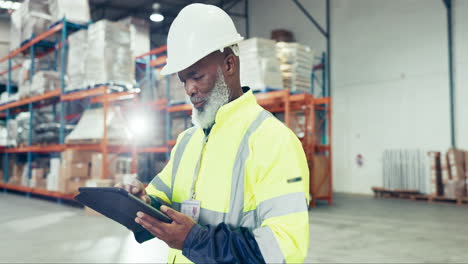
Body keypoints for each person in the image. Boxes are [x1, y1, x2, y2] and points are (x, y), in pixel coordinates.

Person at [116, 3, 310, 263]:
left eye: (196, 76)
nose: (189, 89)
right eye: (183, 80)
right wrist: (142, 201)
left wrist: (194, 240)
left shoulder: (274, 141)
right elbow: (161, 198)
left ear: (229, 65)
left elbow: (285, 247)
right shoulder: (187, 141)